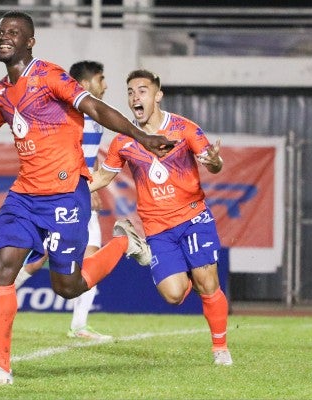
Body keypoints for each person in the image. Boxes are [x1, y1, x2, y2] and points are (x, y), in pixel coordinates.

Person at [0, 12, 176, 385]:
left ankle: (124, 241)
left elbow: (95, 108)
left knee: (67, 287)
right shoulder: (1, 93)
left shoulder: (49, 76)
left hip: (64, 195)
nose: (3, 37)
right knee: (4, 266)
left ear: (30, 42)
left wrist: (143, 137)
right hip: (24, 197)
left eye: (13, 32)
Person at [89, 69, 233, 366]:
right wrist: (68, 190)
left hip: (194, 218)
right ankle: (154, 253)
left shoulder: (184, 129)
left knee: (208, 284)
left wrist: (216, 162)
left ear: (157, 95)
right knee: (173, 295)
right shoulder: (125, 141)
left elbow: (213, 164)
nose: (134, 97)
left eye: (141, 91)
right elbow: (103, 176)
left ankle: (220, 349)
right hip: (157, 229)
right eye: (130, 92)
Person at [0, 60, 112, 341]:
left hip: (78, 193)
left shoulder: (96, 117)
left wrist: (92, 184)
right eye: (101, 79)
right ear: (84, 85)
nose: (106, 85)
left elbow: (85, 153)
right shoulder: (65, 110)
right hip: (57, 196)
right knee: (35, 263)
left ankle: (79, 325)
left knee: (88, 256)